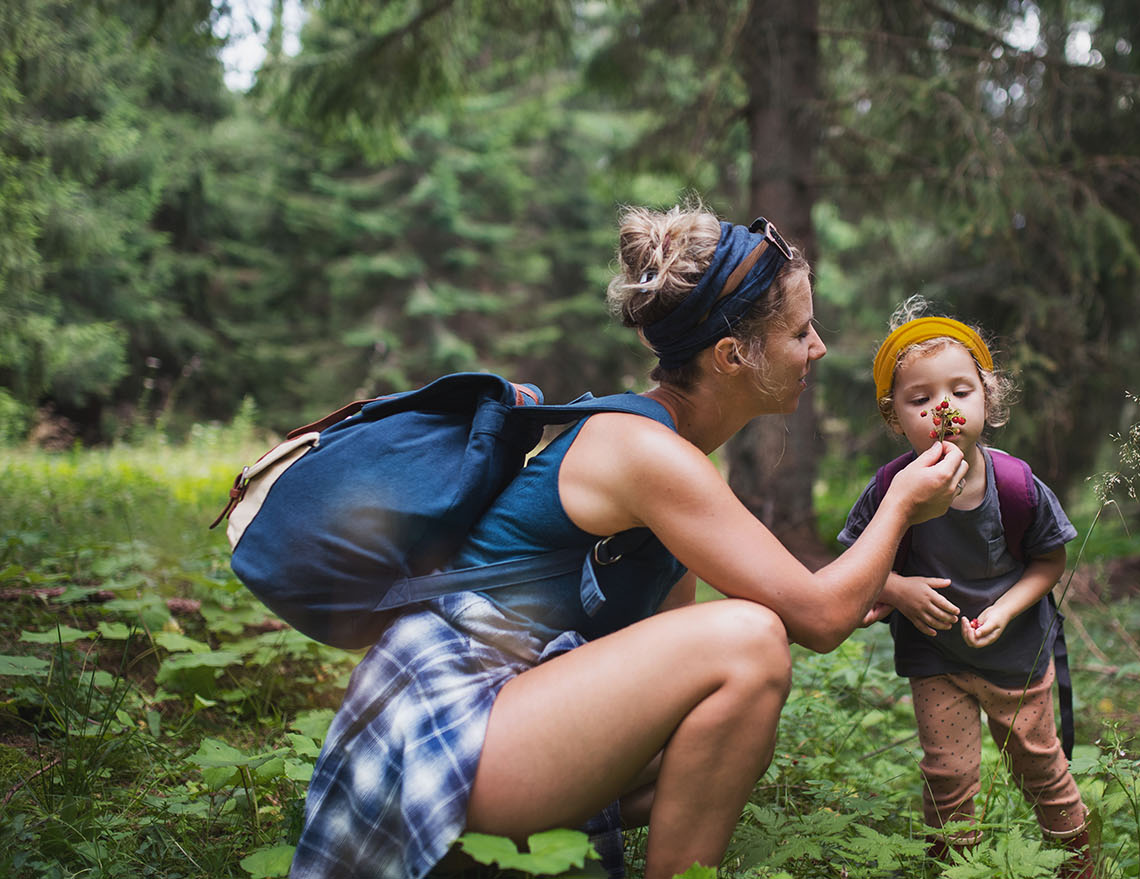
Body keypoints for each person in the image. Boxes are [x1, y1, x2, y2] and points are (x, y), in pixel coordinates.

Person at [290, 206, 969, 879]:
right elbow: (813, 620)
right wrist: (903, 502)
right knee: (752, 639)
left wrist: (861, 584)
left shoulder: (670, 457)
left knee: (721, 713)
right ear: (732, 356)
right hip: (446, 723)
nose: (817, 348)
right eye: (800, 332)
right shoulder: (643, 451)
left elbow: (691, 663)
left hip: (505, 716)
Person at [837, 299, 1093, 878]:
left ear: (988, 397)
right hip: (936, 659)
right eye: (920, 399)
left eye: (960, 391)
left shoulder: (1017, 484)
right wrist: (898, 589)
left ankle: (1081, 867)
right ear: (894, 415)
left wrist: (1005, 609)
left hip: (1015, 659)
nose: (943, 408)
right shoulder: (889, 488)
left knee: (1043, 773)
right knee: (947, 779)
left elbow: (1049, 562)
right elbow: (858, 560)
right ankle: (957, 870)